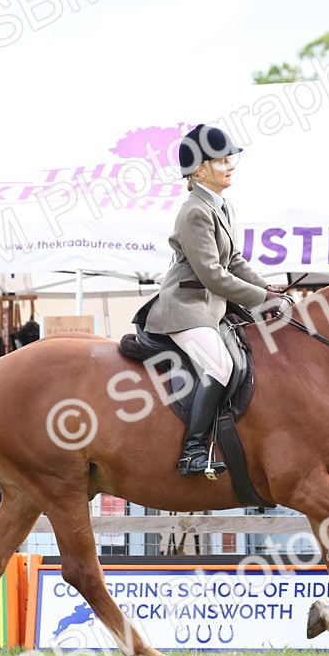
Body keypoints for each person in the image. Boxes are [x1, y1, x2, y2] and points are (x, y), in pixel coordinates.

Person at [141, 124, 287, 476]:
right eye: (222, 160)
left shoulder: (223, 207)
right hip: (184, 309)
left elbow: (234, 261)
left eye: (229, 158)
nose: (230, 165)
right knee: (219, 365)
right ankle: (191, 452)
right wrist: (260, 298)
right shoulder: (194, 212)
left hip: (210, 310)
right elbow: (212, 275)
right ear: (200, 170)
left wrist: (272, 294)